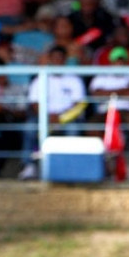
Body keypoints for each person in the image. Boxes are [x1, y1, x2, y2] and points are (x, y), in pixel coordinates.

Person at [19, 45, 88, 180]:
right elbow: (35, 104)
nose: (57, 61)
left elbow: (78, 104)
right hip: (43, 117)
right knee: (29, 128)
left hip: (67, 118)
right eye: (54, 58)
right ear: (50, 59)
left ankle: (70, 167)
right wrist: (46, 117)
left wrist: (61, 117)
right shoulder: (40, 79)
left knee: (73, 129)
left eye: (60, 58)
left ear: (65, 60)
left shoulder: (74, 79)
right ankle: (29, 166)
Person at [88, 46, 129, 179]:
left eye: (122, 60)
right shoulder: (102, 76)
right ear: (110, 62)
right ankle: (105, 169)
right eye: (116, 60)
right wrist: (125, 91)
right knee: (91, 126)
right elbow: (96, 94)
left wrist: (112, 93)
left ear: (127, 61)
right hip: (107, 113)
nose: (119, 63)